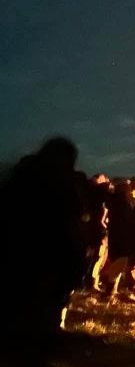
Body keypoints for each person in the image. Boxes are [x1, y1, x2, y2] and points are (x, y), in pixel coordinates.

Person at [1, 137, 87, 343]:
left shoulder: (16, 184)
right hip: (42, 263)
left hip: (24, 263)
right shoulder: (62, 190)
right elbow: (71, 227)